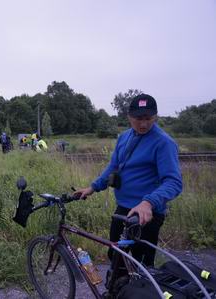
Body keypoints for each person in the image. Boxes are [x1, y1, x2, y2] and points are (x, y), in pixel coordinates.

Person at [74, 94, 182, 267]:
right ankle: (118, 288)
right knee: (116, 255)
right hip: (124, 208)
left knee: (141, 264)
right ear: (129, 117)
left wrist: (148, 202)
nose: (144, 124)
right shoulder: (124, 137)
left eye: (148, 118)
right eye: (138, 118)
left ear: (155, 117)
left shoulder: (163, 143)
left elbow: (174, 182)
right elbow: (114, 167)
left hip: (147, 213)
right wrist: (93, 187)